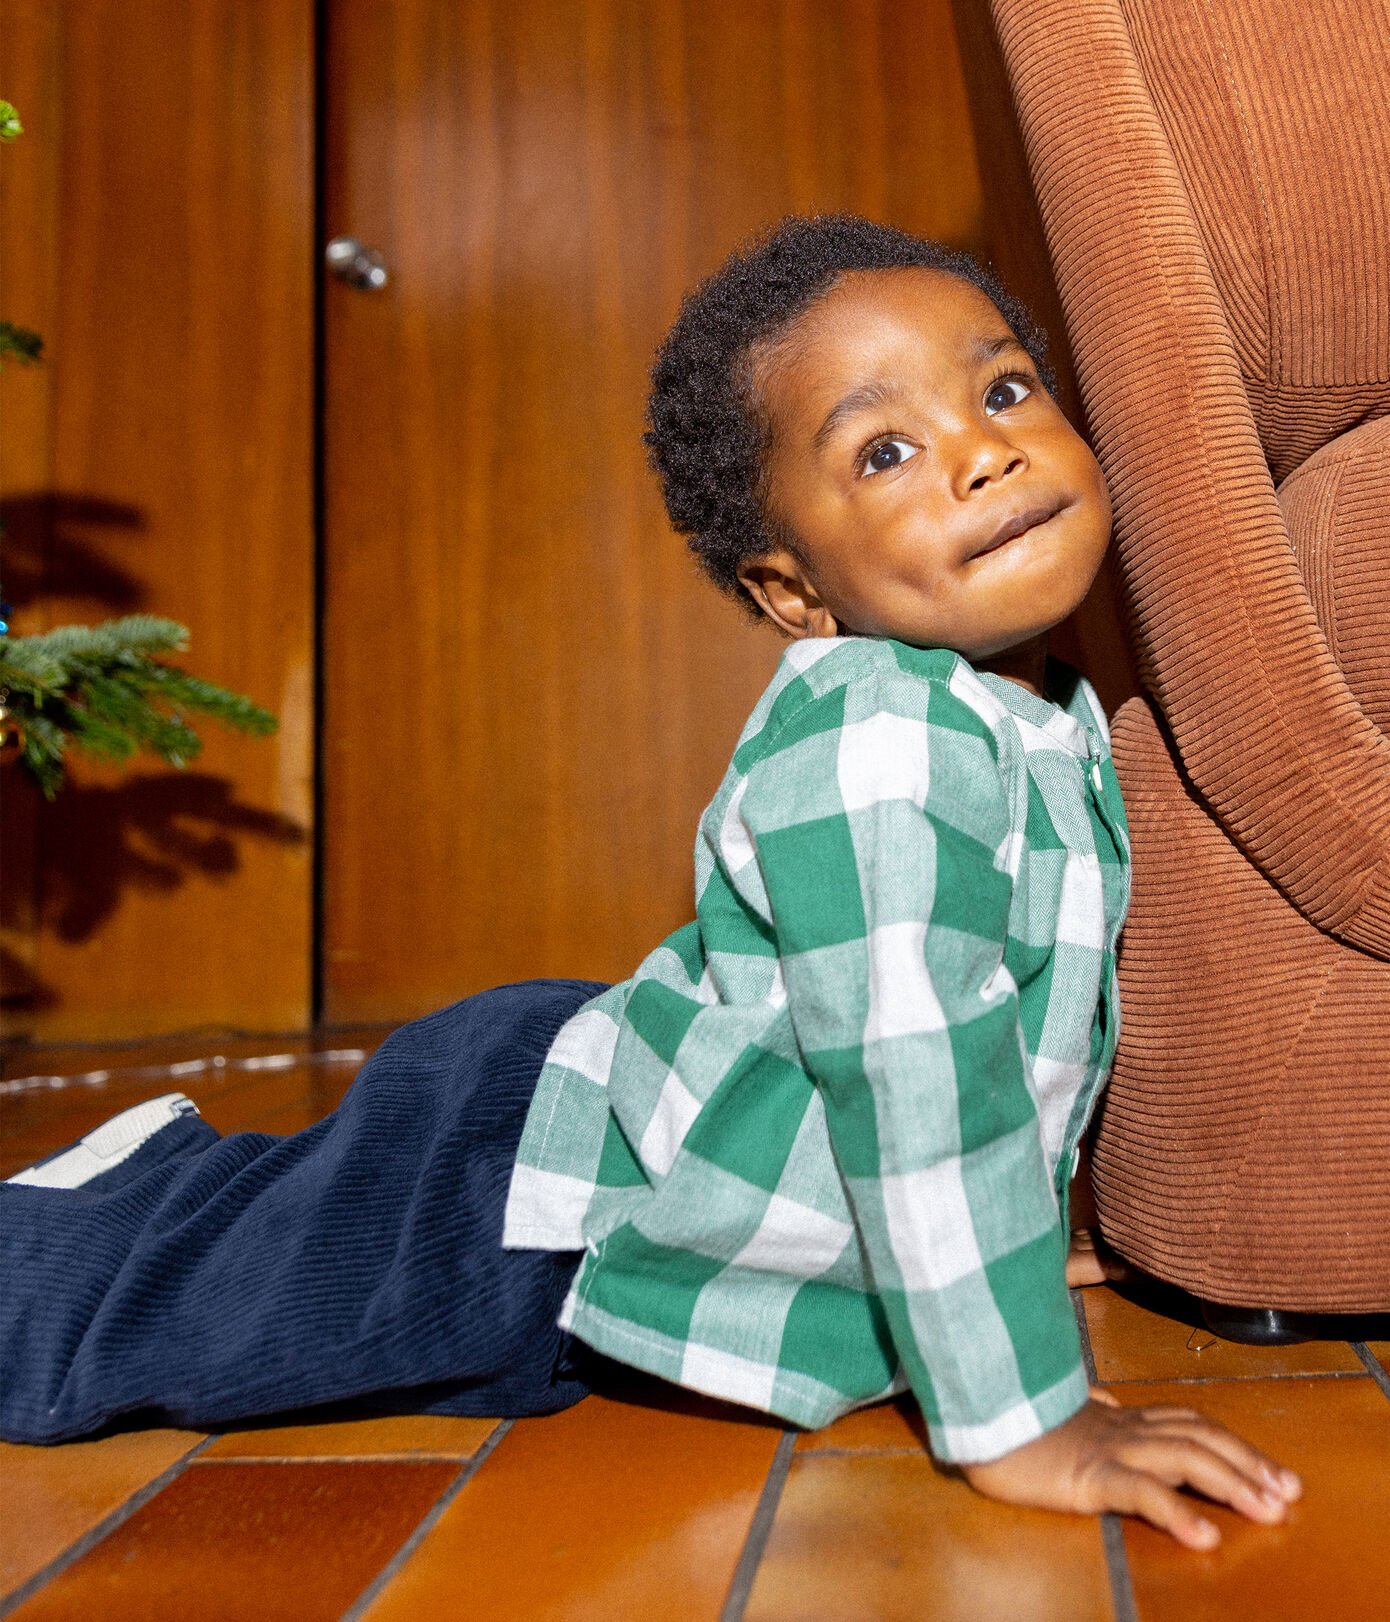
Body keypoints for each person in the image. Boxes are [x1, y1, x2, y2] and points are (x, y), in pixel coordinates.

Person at [1, 216, 1298, 1549]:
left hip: (592, 1115)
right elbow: (916, 1073)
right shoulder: (882, 744)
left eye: (1003, 387)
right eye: (885, 451)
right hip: (521, 1191)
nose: (984, 451)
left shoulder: (1037, 712)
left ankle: (135, 1191)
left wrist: (1015, 1231)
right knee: (151, 1319)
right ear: (794, 593)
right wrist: (1024, 1413)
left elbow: (1006, 1020)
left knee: (246, 1225)